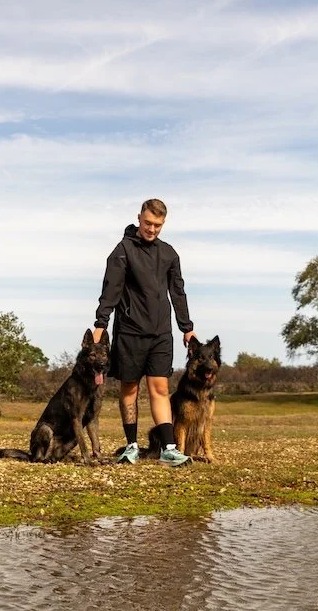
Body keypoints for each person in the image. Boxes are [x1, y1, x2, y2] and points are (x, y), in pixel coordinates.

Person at [93, 198, 197, 467]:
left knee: (160, 387)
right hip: (129, 331)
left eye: (158, 225)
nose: (152, 229)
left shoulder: (169, 253)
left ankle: (169, 448)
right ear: (139, 218)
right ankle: (131, 447)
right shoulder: (123, 251)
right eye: (149, 223)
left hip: (161, 332)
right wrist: (100, 324)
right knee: (129, 387)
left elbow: (178, 292)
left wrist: (187, 328)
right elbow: (111, 290)